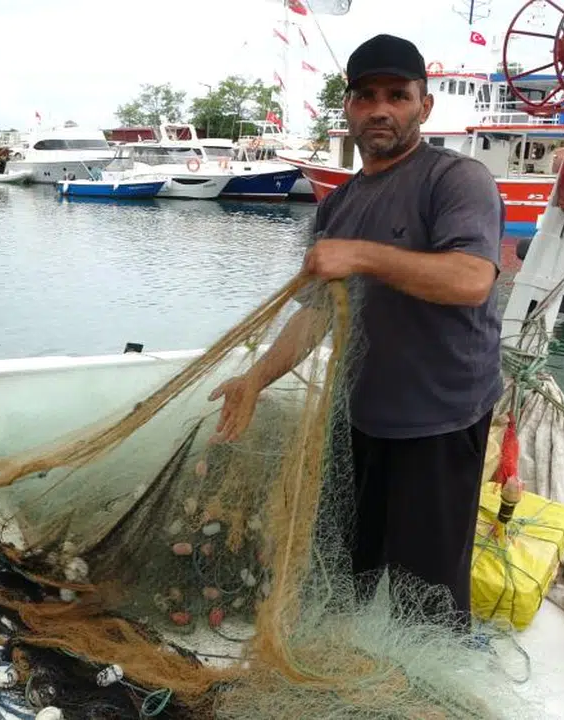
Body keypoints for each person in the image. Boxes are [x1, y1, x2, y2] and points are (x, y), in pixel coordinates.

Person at [209, 34, 504, 632]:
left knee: (427, 601)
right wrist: (255, 379)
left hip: (439, 422)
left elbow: (472, 280)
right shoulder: (339, 203)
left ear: (424, 105)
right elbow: (318, 313)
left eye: (398, 95)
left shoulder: (456, 180)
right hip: (357, 418)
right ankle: (345, 659)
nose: (381, 109)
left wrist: (363, 257)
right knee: (346, 571)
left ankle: (424, 677)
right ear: (347, 108)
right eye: (366, 95)